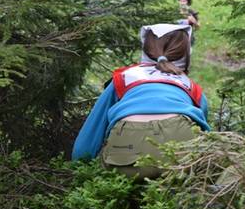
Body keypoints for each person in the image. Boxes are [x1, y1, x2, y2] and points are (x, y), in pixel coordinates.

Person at [72, 24, 211, 178]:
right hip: (180, 148)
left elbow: (90, 136)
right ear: (186, 54)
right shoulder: (192, 87)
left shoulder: (123, 79)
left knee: (120, 175)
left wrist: (79, 167)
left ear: (145, 48)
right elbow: (206, 134)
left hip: (127, 144)